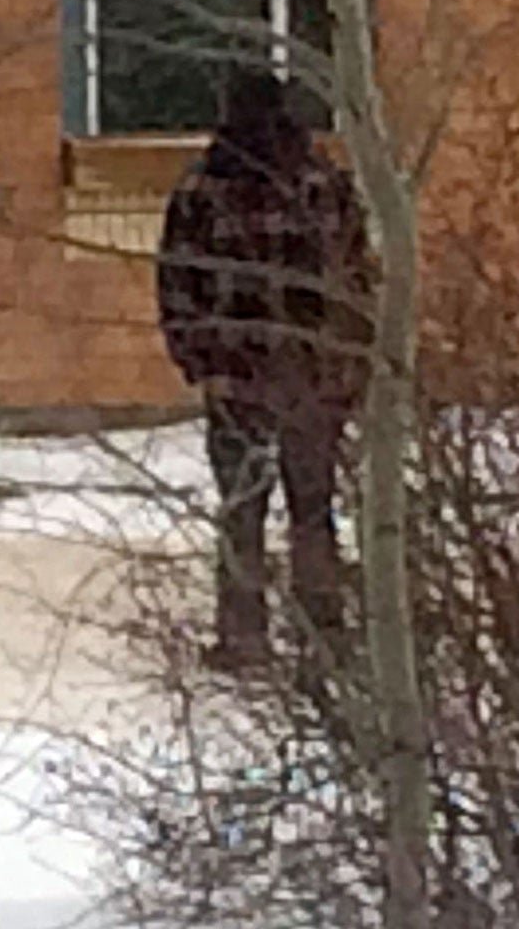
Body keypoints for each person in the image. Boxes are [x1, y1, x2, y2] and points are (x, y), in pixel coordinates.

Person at [157, 69, 374, 669]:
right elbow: (356, 277)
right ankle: (323, 633)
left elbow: (178, 282)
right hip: (313, 370)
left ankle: (244, 636)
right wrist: (351, 362)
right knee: (313, 508)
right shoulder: (320, 182)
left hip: (237, 374)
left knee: (242, 507)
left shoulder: (203, 188)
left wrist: (200, 361)